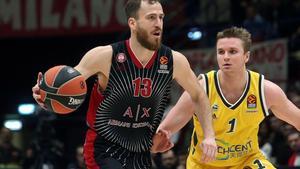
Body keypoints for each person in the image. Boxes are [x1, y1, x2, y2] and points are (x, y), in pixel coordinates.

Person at [32, 0, 217, 168]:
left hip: (141, 151)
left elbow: (199, 95)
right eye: (151, 17)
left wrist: (209, 136)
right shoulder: (105, 56)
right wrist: (47, 94)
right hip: (104, 148)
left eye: (161, 17)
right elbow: (67, 83)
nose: (158, 23)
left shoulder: (174, 61)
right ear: (132, 23)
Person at [157, 26, 300, 168]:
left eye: (232, 52)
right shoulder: (201, 88)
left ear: (246, 56)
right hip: (204, 164)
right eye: (221, 52)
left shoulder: (265, 91)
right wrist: (156, 140)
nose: (225, 57)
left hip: (247, 160)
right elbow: (165, 129)